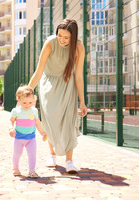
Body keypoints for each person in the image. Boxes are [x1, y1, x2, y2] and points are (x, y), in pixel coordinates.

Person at [28, 18, 87, 173]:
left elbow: (79, 76)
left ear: (73, 37)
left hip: (68, 85)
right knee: (50, 118)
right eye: (60, 35)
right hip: (49, 85)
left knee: (69, 120)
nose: (62, 40)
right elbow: (39, 71)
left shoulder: (79, 48)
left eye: (66, 37)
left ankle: (69, 161)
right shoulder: (50, 43)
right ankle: (52, 154)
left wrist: (82, 101)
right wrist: (28, 92)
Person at [9, 85, 46, 178]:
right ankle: (15, 168)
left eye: (30, 102)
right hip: (18, 138)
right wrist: (10, 128)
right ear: (18, 100)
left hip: (31, 138)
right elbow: (11, 120)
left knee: (32, 154)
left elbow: (37, 123)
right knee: (17, 154)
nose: (27, 105)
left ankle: (32, 170)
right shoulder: (16, 111)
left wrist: (42, 133)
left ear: (33, 100)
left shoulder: (34, 111)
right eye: (24, 102)